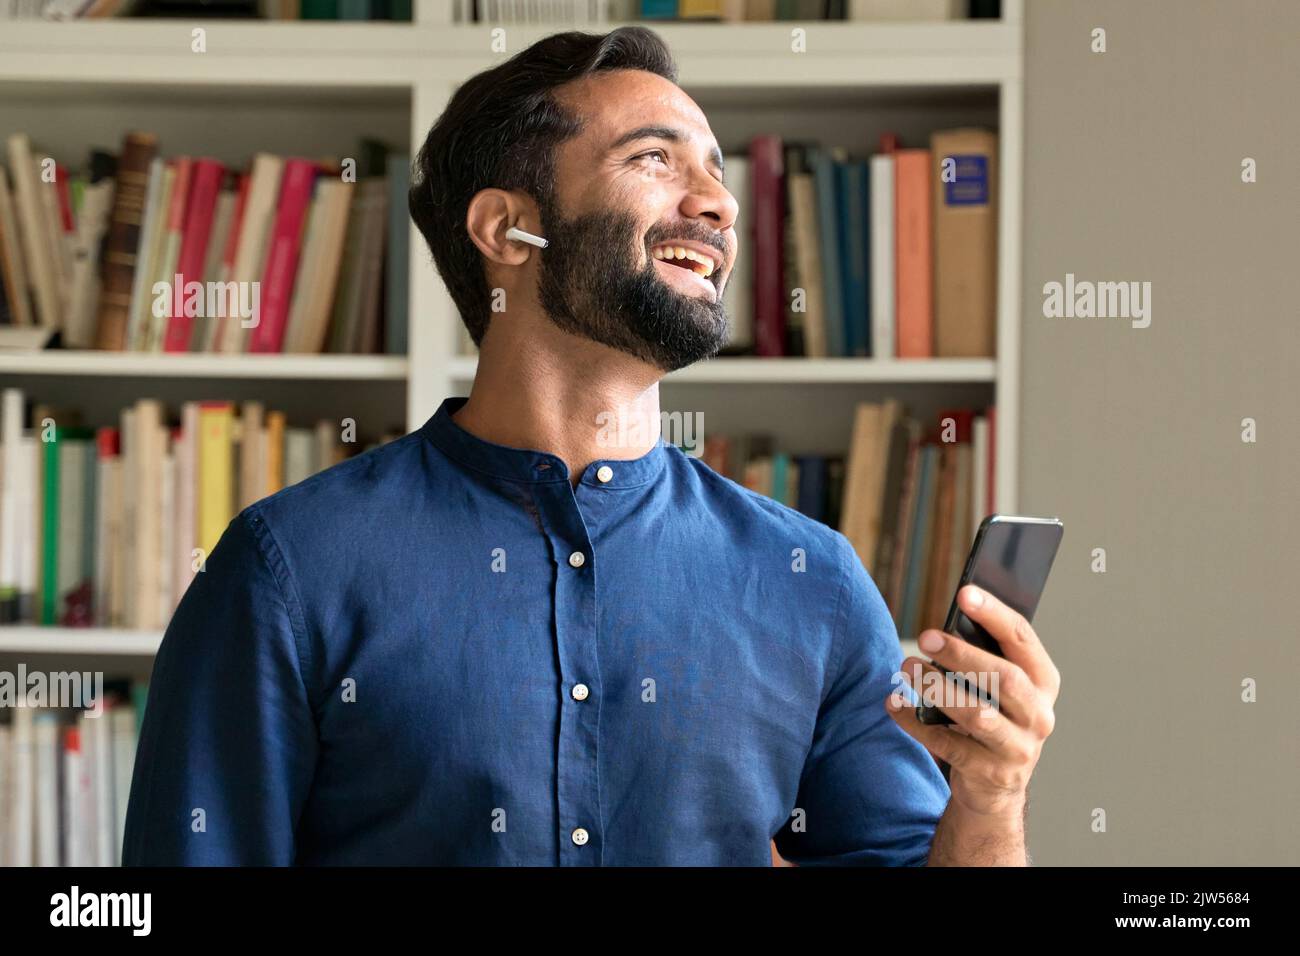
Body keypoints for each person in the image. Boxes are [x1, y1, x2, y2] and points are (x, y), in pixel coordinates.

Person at [123, 26, 1058, 866]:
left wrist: (990, 795)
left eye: (717, 171)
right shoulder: (289, 568)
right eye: (655, 159)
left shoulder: (812, 577)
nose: (719, 205)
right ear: (506, 229)